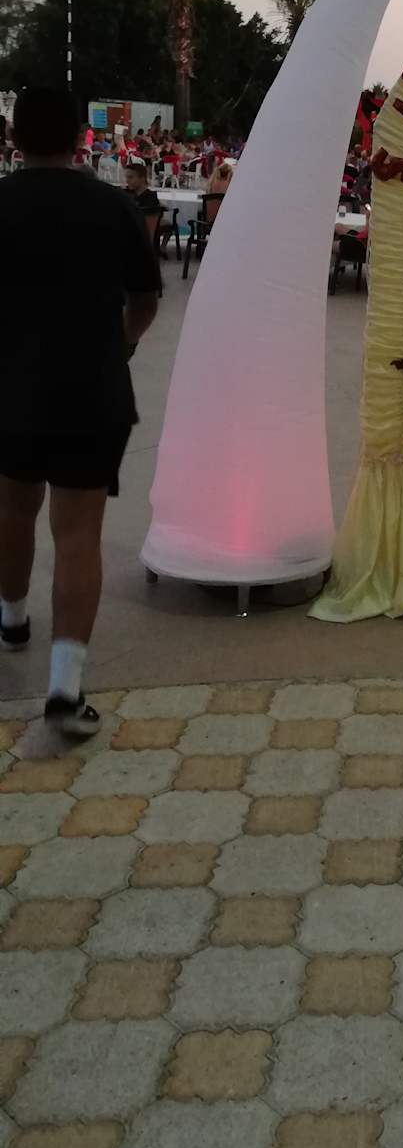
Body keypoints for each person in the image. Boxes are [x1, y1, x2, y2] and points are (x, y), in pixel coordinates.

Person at [0, 86, 159, 737]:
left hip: (10, 388)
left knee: (13, 509)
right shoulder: (113, 205)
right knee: (77, 533)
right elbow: (145, 299)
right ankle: (65, 689)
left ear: (14, 139)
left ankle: (12, 619)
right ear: (78, 140)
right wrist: (120, 345)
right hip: (92, 390)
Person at [124, 161, 162, 244]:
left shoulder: (150, 197)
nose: (127, 181)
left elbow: (150, 229)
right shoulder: (125, 193)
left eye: (130, 177)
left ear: (142, 178)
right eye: (126, 177)